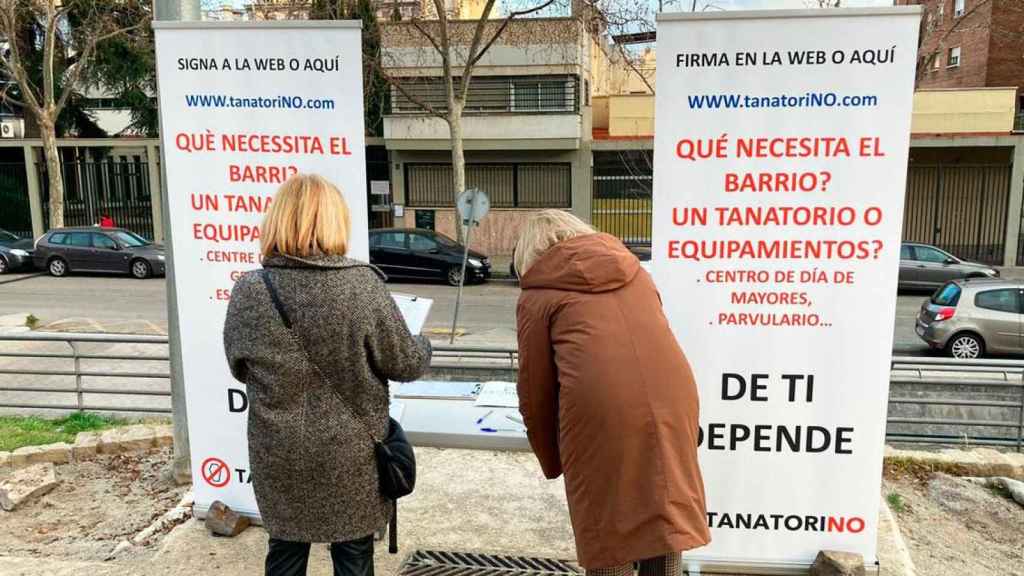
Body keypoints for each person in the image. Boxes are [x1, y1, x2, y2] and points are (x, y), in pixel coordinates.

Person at [223, 174, 431, 576]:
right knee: (353, 555)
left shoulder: (250, 289)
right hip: (350, 454)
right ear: (336, 221)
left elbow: (239, 366)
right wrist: (422, 343)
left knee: (284, 549)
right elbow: (405, 363)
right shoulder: (361, 286)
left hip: (278, 452)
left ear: (277, 221)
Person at [513, 210, 710, 576]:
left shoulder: (538, 296)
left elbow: (534, 390)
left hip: (601, 410)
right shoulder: (635, 272)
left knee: (607, 520)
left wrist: (552, 458)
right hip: (673, 397)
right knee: (663, 507)